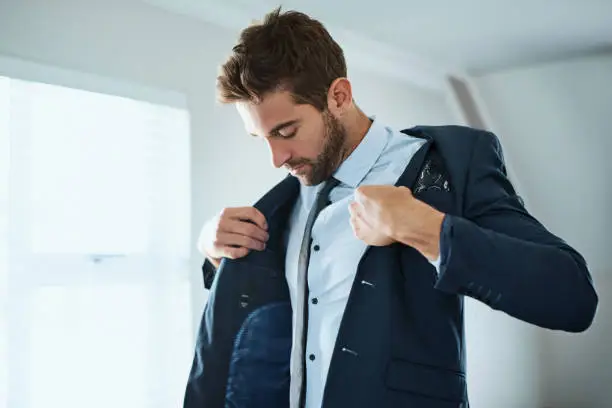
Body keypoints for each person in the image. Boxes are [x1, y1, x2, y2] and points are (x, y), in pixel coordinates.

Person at [183, 8, 598, 408]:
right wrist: (213, 252)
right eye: (262, 139)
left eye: (286, 131)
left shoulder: (453, 163)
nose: (276, 159)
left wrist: (427, 229)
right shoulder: (283, 202)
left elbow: (571, 296)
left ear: (339, 96)